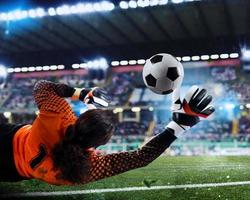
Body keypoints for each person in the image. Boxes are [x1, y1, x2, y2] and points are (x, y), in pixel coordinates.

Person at [0, 80, 214, 185]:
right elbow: (141, 157)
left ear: (80, 119)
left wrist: (81, 93)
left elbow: (41, 87)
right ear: (98, 145)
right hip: (12, 170)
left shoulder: (60, 114)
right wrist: (177, 127)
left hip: (9, 135)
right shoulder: (85, 169)